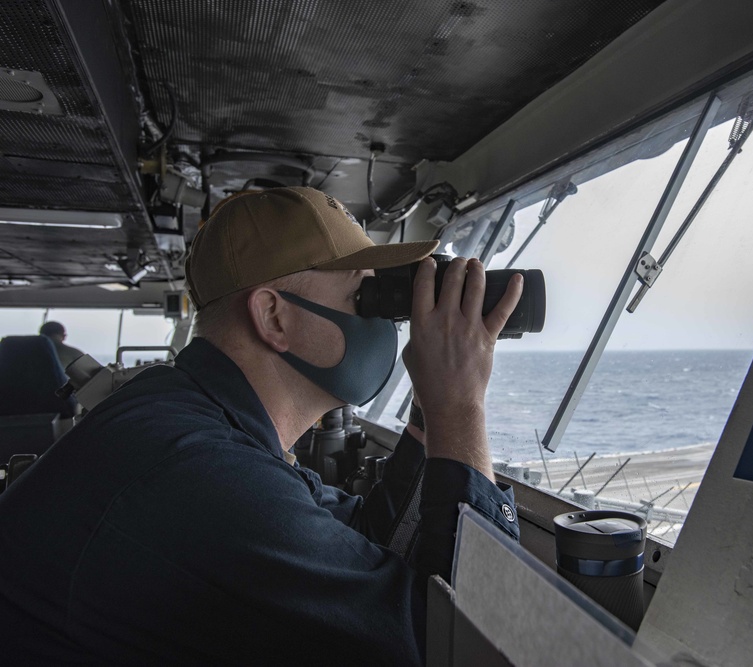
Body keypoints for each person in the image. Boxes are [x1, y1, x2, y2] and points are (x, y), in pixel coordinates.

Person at [0, 187, 523, 665]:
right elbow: (472, 647)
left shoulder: (193, 417)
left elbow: (365, 540)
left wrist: (433, 415)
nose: (388, 325)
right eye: (364, 298)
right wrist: (461, 407)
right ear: (274, 317)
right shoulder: (199, 470)